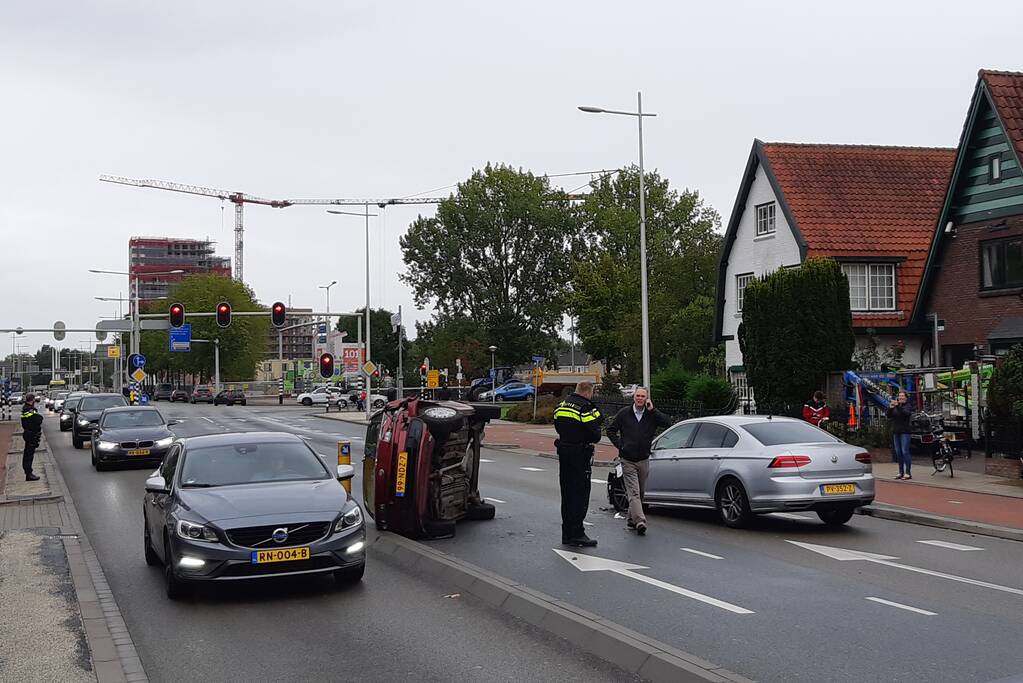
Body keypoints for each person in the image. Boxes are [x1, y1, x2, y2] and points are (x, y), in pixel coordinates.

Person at [605, 386, 671, 536]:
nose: (640, 398)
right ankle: (640, 521)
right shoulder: (624, 414)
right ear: (633, 397)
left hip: (643, 458)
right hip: (628, 459)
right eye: (638, 396)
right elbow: (610, 430)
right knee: (634, 492)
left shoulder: (650, 414)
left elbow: (667, 422)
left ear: (647, 398)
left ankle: (631, 518)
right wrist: (621, 445)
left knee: (640, 493)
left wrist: (653, 410)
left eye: (642, 396)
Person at [553, 381, 604, 547]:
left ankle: (567, 533)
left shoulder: (561, 405)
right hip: (579, 453)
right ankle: (577, 533)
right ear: (588, 392)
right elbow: (595, 432)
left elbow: (557, 424)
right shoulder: (585, 407)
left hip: (564, 451)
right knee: (580, 494)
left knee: (567, 494)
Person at [887, 390, 913, 480]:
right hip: (896, 431)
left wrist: (898, 406)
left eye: (902, 396)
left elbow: (905, 414)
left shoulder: (908, 406)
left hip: (905, 432)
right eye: (899, 396)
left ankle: (908, 472)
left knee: (905, 451)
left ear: (906, 397)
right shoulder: (896, 407)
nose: (901, 397)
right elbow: (889, 416)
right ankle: (900, 472)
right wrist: (890, 408)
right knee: (898, 452)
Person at [20, 393, 43, 481]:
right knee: (29, 454)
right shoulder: (29, 410)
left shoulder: (25, 408)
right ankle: (29, 473)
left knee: (28, 453)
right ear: (32, 400)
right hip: (31, 434)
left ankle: (28, 472)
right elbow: (38, 419)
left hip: (29, 433)